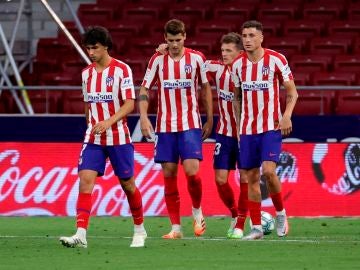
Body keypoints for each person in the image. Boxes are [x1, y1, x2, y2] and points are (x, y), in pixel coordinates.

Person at [59, 26, 147, 248]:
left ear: (105, 46)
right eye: (88, 48)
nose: (91, 52)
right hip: (94, 139)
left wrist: (108, 122)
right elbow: (88, 104)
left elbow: (129, 103)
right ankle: (81, 234)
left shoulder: (122, 70)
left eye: (95, 48)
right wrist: (90, 124)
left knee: (128, 184)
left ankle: (139, 229)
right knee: (85, 181)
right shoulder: (86, 73)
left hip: (118, 137)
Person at [138, 19, 213, 239]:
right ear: (165, 39)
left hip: (190, 124)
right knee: (169, 174)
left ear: (185, 37)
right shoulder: (157, 60)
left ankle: (197, 211)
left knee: (192, 172)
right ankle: (176, 228)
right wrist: (143, 117)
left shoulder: (197, 58)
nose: (174, 45)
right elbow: (144, 88)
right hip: (164, 126)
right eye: (170, 41)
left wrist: (209, 119)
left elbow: (205, 88)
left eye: (178, 40)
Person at [231, 20, 298, 240]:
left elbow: (292, 92)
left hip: (271, 126)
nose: (247, 40)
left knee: (268, 172)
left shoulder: (277, 59)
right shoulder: (237, 65)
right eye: (244, 36)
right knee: (250, 177)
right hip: (248, 130)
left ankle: (280, 214)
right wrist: (239, 125)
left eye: (251, 35)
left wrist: (286, 115)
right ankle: (257, 228)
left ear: (261, 38)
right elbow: (237, 97)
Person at [204, 33, 248, 239]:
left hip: (246, 133)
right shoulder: (217, 68)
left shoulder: (249, 71)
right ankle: (234, 213)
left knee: (246, 178)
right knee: (220, 179)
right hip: (224, 133)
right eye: (222, 50)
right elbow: (191, 62)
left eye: (229, 50)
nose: (224, 54)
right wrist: (165, 51)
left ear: (240, 52)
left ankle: (241, 222)